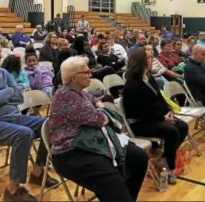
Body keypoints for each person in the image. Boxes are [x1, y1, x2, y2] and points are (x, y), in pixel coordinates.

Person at [0, 40, 58, 202]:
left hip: (13, 117)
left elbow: (19, 96)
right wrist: (8, 90)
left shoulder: (3, 73)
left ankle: (37, 171)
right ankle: (12, 190)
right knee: (24, 134)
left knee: (49, 123)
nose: (0, 55)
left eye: (0, 52)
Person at [49, 56, 148, 201]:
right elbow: (99, 119)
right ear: (74, 77)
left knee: (139, 157)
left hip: (90, 142)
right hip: (71, 152)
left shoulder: (78, 91)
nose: (90, 75)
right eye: (86, 72)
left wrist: (99, 107)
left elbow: (93, 100)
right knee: (112, 180)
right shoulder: (66, 96)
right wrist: (102, 113)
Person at [123, 47, 188, 183]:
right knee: (171, 131)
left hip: (155, 117)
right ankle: (169, 167)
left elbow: (160, 99)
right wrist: (163, 117)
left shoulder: (150, 77)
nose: (152, 59)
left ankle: (162, 159)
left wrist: (167, 111)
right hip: (140, 122)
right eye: (149, 58)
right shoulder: (132, 84)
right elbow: (139, 111)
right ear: (140, 61)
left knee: (182, 126)